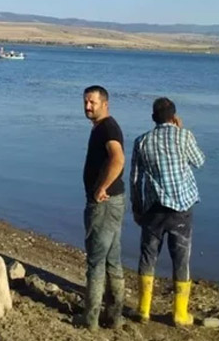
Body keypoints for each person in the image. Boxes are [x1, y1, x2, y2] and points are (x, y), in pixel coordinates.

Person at [130, 97, 205, 327]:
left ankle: (143, 310)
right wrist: (181, 130)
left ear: (153, 118)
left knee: (148, 256)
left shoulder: (142, 141)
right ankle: (180, 314)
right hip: (182, 209)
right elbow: (199, 161)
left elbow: (135, 179)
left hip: (153, 209)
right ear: (174, 117)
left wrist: (137, 207)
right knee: (181, 259)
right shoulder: (184, 136)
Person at [80, 85, 127, 330]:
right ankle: (115, 317)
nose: (88, 107)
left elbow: (118, 159)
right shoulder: (102, 127)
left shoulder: (108, 127)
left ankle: (91, 322)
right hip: (113, 202)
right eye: (86, 102)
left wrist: (102, 188)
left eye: (92, 103)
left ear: (105, 103)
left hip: (104, 204)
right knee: (111, 260)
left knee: (96, 262)